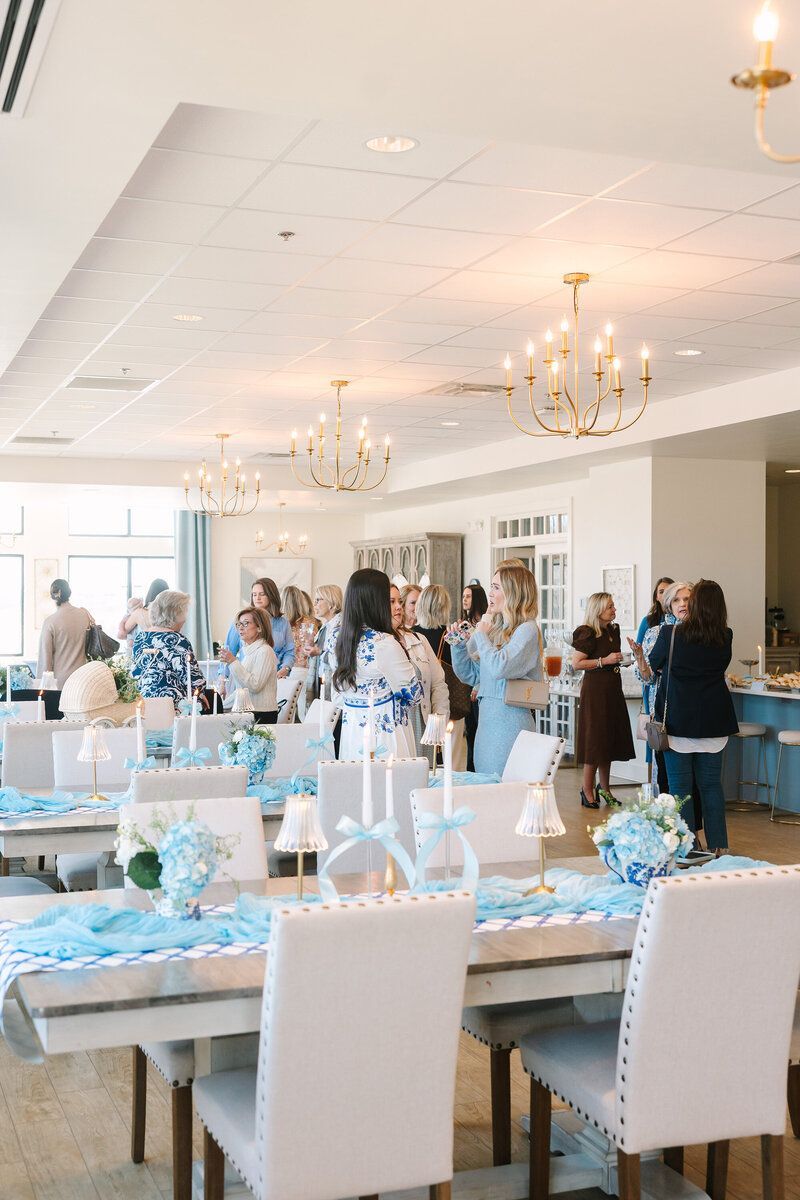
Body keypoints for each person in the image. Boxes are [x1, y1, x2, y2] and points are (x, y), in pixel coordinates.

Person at [647, 579, 738, 855]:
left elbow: (653, 668)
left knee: (680, 788)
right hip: (714, 721)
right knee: (711, 787)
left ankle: (687, 845)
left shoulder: (671, 634)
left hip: (679, 722)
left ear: (695, 604)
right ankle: (720, 846)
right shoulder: (725, 636)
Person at [449, 562, 542, 776]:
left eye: (496, 587)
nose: (490, 593)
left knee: (504, 792)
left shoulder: (527, 630)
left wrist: (481, 634)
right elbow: (471, 674)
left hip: (509, 725)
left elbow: (501, 667)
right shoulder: (496, 629)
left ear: (513, 592)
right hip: (487, 726)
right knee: (487, 787)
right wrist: (459, 645)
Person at [331, 568, 422, 760]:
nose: (396, 606)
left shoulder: (339, 638)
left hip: (353, 730)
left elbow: (338, 696)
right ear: (375, 602)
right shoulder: (384, 644)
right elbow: (413, 695)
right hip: (385, 735)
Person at [572, 592, 635, 808]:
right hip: (595, 692)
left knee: (608, 739)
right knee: (595, 740)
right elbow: (577, 663)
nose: (614, 610)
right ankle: (587, 789)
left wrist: (620, 660)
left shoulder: (613, 630)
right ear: (598, 609)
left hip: (612, 689)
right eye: (610, 606)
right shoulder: (587, 633)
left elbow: (611, 658)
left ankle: (605, 788)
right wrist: (604, 661)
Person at [629, 582, 692, 794]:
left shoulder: (702, 632)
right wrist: (640, 659)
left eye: (686, 599)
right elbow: (646, 678)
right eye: (676, 600)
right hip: (664, 711)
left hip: (694, 712)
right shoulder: (657, 632)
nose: (682, 604)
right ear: (668, 605)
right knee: (666, 774)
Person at [391, 583, 448, 768]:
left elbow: (438, 683)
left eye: (399, 601)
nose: (398, 607)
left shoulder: (418, 639)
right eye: (392, 602)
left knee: (423, 780)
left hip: (422, 724)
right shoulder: (375, 644)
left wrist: (439, 722)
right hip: (394, 729)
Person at [131, 589, 207, 706]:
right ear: (175, 613)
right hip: (172, 706)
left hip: (143, 704)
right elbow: (193, 678)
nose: (185, 619)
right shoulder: (178, 640)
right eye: (185, 612)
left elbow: (136, 673)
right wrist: (200, 694)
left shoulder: (140, 638)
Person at [632, 576, 675, 778]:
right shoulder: (650, 624)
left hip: (675, 690)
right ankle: (652, 781)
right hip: (654, 686)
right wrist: (642, 659)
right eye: (661, 591)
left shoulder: (685, 625)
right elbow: (642, 655)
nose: (665, 595)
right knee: (656, 733)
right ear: (656, 596)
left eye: (669, 592)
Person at [225, 578, 295, 677]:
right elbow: (229, 651)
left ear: (271, 596)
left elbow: (289, 651)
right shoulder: (241, 620)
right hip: (246, 676)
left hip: (275, 677)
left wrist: (286, 668)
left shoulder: (283, 623)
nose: (257, 598)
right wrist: (223, 678)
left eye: (262, 594)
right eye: (254, 594)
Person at [218, 607, 278, 723]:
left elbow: (255, 685)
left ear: (259, 627)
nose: (240, 627)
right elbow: (242, 690)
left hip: (262, 714)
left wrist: (233, 661)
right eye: (239, 624)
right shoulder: (248, 653)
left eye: (245, 624)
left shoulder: (265, 651)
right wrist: (221, 706)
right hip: (249, 712)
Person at [37, 578, 93, 689]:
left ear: (52, 596)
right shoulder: (84, 614)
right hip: (82, 680)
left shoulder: (50, 622)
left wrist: (41, 686)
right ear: (69, 593)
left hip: (60, 684)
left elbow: (45, 660)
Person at [460, 582, 488, 770]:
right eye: (463, 596)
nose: (464, 599)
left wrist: (478, 684)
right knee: (470, 730)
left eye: (468, 596)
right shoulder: (464, 625)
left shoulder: (486, 626)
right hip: (466, 682)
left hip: (481, 684)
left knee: (480, 729)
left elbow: (483, 659)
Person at [282, 585, 319, 719]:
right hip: (305, 669)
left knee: (286, 712)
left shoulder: (282, 624)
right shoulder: (310, 623)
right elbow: (314, 646)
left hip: (287, 670)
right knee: (305, 712)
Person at [305, 584, 343, 700]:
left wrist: (319, 651)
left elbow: (339, 656)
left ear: (331, 603)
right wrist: (311, 644)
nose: (314, 604)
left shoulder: (341, 626)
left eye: (318, 600)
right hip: (321, 678)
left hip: (335, 684)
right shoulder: (325, 626)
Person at [117, 577, 168, 648]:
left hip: (142, 653)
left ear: (150, 593)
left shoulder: (139, 613)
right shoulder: (170, 616)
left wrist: (123, 620)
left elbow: (121, 635)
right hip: (163, 653)